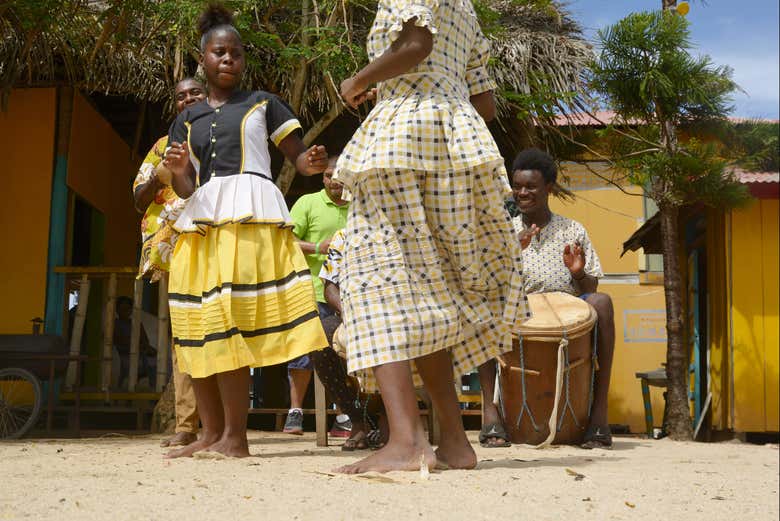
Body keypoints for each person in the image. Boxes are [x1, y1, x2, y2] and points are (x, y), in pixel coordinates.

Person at [334, 0, 530, 473]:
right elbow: (483, 100)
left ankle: (406, 441)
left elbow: (417, 44)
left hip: (403, 134)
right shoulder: (466, 10)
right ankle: (455, 443)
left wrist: (359, 81)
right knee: (427, 290)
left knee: (377, 282)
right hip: (456, 138)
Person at [162, 4, 329, 459]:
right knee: (197, 327)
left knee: (229, 322)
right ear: (204, 60)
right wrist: (178, 170)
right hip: (202, 221)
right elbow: (186, 185)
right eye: (219, 53)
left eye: (235, 53)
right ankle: (209, 434)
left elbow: (295, 157)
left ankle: (236, 438)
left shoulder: (263, 103)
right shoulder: (187, 118)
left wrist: (309, 162)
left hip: (249, 219)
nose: (228, 60)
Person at [478, 148, 615, 450]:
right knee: (481, 308)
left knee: (603, 302)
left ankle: (599, 415)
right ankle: (490, 414)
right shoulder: (504, 232)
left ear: (548, 188)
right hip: (518, 310)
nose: (522, 193)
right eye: (518, 186)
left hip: (567, 313)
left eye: (531, 187)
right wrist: (511, 253)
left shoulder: (573, 230)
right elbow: (489, 285)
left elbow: (590, 286)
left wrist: (578, 273)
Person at [132, 77, 207, 448]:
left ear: (208, 96)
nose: (188, 99)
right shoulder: (162, 146)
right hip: (175, 248)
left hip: (218, 240)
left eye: (195, 93)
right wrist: (162, 174)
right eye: (181, 96)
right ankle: (186, 424)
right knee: (184, 335)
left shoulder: (224, 135)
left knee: (222, 327)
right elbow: (138, 198)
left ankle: (223, 425)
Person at [283, 157, 351, 437]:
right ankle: (295, 411)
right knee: (304, 354)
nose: (333, 180)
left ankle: (345, 415)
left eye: (338, 175)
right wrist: (316, 247)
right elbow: (285, 241)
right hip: (312, 290)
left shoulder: (362, 205)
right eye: (327, 176)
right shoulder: (307, 203)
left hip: (352, 294)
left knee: (346, 354)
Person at [113, 296, 156, 388]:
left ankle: (154, 394)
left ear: (131, 310)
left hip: (140, 353)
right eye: (122, 309)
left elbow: (145, 341)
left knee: (156, 362)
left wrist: (145, 348)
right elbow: (119, 341)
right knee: (148, 364)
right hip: (123, 355)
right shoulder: (114, 324)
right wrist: (136, 346)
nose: (125, 311)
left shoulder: (136, 323)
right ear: (117, 310)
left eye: (127, 309)